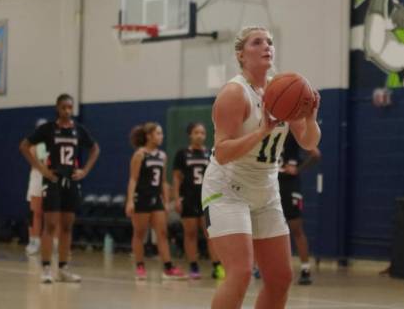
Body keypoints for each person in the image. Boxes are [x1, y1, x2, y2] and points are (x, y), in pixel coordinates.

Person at [201, 26, 321, 309]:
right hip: (228, 190)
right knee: (241, 274)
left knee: (280, 278)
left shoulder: (280, 88)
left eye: (269, 41)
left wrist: (311, 119)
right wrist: (262, 131)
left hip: (266, 191)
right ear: (241, 55)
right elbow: (221, 152)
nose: (267, 46)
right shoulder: (234, 93)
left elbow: (307, 141)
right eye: (258, 42)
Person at [19, 94, 100, 283]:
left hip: (71, 181)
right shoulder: (47, 129)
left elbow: (95, 148)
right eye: (64, 107)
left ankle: (63, 268)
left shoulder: (78, 130)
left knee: (67, 227)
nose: (67, 111)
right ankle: (46, 268)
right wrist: (41, 169)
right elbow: (24, 146)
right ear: (57, 108)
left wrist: (85, 171)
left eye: (70, 108)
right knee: (51, 225)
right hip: (53, 180)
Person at [126, 122, 186, 280]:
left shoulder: (162, 156)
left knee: (162, 233)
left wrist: (166, 201)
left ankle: (168, 267)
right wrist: (130, 201)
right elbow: (133, 179)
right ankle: (140, 266)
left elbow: (163, 182)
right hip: (141, 198)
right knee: (140, 234)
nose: (161, 136)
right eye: (158, 133)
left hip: (156, 199)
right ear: (149, 136)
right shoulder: (140, 154)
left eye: (161, 133)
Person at [172, 122, 225, 280]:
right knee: (190, 233)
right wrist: (176, 199)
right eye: (196, 132)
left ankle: (217, 266)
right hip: (188, 198)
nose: (200, 135)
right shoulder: (182, 154)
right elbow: (176, 178)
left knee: (211, 233)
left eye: (202, 133)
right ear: (190, 134)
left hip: (207, 199)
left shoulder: (210, 153)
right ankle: (194, 266)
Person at [278, 133, 320, 285]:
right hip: (271, 182)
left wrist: (298, 168)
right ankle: (263, 266)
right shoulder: (268, 128)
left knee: (296, 227)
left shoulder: (295, 131)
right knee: (267, 228)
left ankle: (305, 268)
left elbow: (315, 154)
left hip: (289, 184)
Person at [25, 118, 48, 256]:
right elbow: (36, 161)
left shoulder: (49, 144)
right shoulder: (34, 145)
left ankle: (51, 243)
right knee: (35, 212)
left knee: (49, 213)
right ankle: (34, 241)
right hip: (37, 178)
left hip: (47, 178)